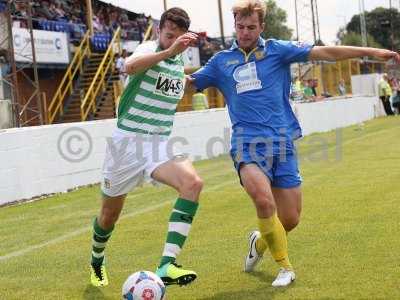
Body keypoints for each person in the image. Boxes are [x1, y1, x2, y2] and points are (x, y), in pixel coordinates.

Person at [189, 0, 400, 287]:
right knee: (263, 201)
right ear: (234, 25)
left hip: (282, 142)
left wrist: (371, 51)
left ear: (262, 26)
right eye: (240, 27)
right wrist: (158, 63)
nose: (246, 32)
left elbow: (325, 52)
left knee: (289, 219)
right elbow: (188, 82)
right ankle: (285, 267)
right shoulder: (220, 62)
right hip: (246, 144)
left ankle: (259, 243)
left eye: (252, 27)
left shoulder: (277, 50)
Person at [89, 7, 201, 288]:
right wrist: (168, 50)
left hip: (159, 143)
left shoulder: (177, 61)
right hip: (127, 144)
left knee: (193, 184)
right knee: (108, 216)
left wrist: (203, 78)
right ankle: (97, 260)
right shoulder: (149, 48)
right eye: (167, 35)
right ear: (159, 31)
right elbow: (129, 66)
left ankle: (166, 265)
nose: (171, 40)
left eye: (177, 36)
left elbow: (180, 84)